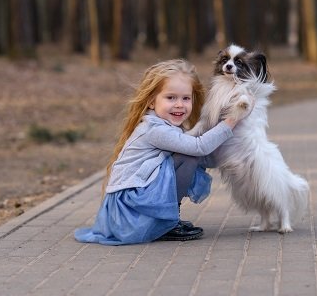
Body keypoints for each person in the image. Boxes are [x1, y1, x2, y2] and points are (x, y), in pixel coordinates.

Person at [75, 59, 252, 245]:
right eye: (171, 98)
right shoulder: (155, 130)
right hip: (130, 214)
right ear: (151, 101)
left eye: (186, 98)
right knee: (188, 156)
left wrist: (236, 145)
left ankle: (166, 220)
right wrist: (232, 120)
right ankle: (169, 222)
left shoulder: (165, 126)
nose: (179, 105)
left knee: (192, 154)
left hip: (133, 207)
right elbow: (200, 148)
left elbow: (206, 157)